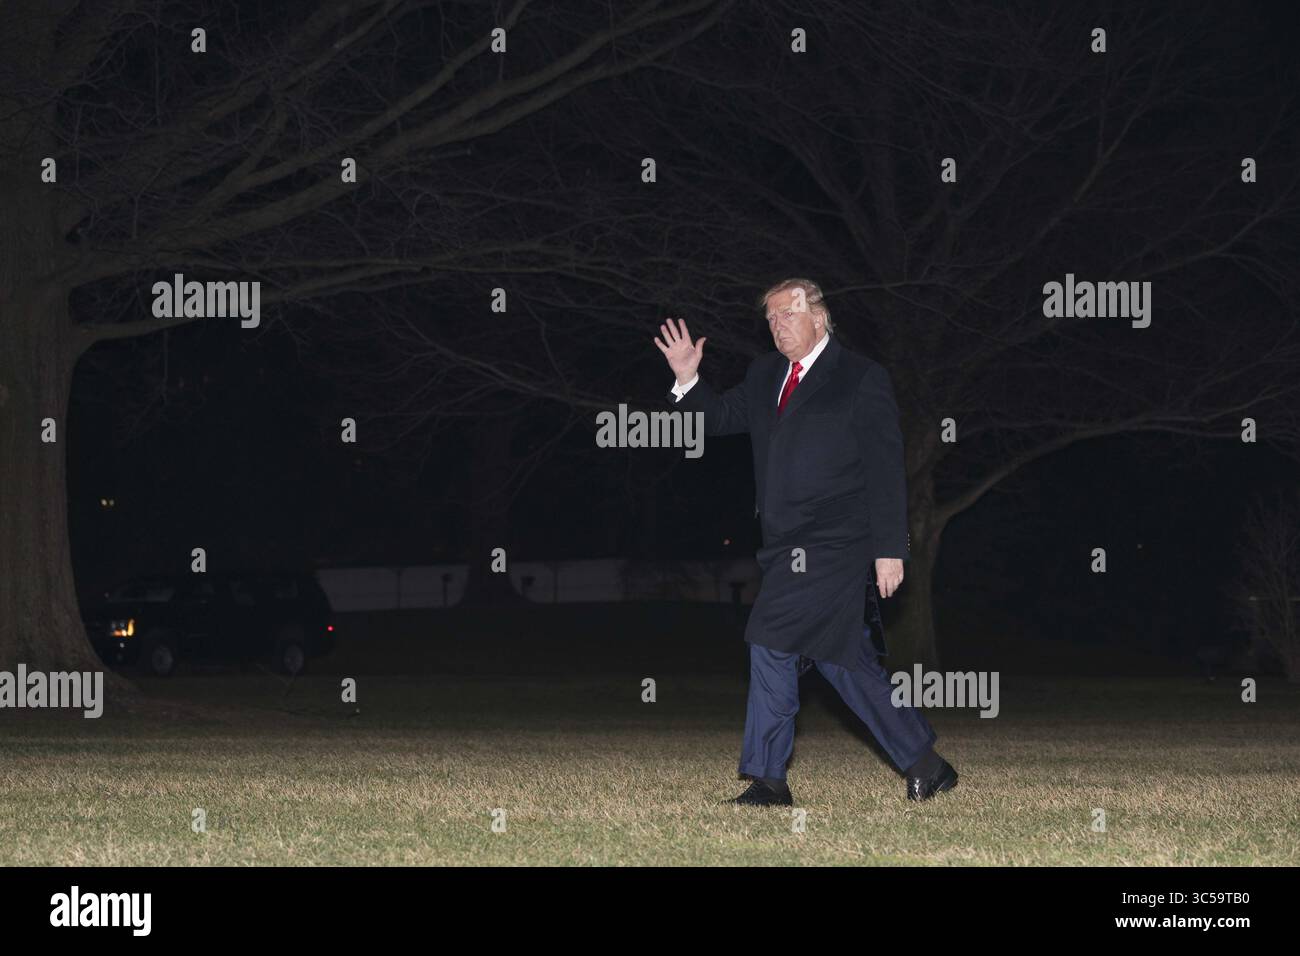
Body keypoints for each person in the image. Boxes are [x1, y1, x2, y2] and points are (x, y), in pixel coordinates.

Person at [654, 278, 958, 805]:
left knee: (770, 637)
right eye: (771, 318)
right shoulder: (765, 373)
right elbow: (717, 419)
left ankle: (769, 780)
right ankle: (926, 765)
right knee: (841, 659)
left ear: (819, 317)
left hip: (837, 540)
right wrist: (687, 378)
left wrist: (891, 547)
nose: (778, 325)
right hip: (783, 545)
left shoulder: (860, 376)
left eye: (787, 313)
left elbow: (885, 467)